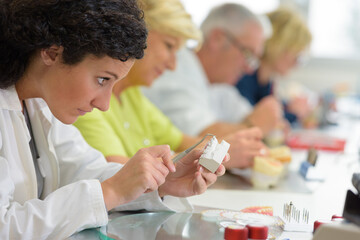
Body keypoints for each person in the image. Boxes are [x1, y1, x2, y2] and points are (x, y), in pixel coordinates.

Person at [0, 0, 227, 239]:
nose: (104, 104)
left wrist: (160, 184)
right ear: (51, 52)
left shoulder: (39, 104)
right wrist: (109, 191)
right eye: (102, 80)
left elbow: (84, 171)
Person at [74, 0, 266, 169]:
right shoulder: (92, 98)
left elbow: (187, 143)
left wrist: (225, 150)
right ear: (136, 35)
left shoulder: (133, 96)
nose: (173, 65)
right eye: (169, 46)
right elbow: (119, 174)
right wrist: (215, 156)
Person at [142, 3, 283, 140]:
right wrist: (254, 126)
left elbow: (248, 115)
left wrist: (265, 121)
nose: (250, 68)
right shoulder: (176, 69)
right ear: (218, 39)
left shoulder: (219, 85)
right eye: (247, 54)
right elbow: (198, 142)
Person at [236, 8, 312, 124]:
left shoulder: (266, 81)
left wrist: (291, 108)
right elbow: (256, 121)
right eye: (296, 54)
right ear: (279, 45)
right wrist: (294, 114)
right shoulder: (243, 76)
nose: (296, 63)